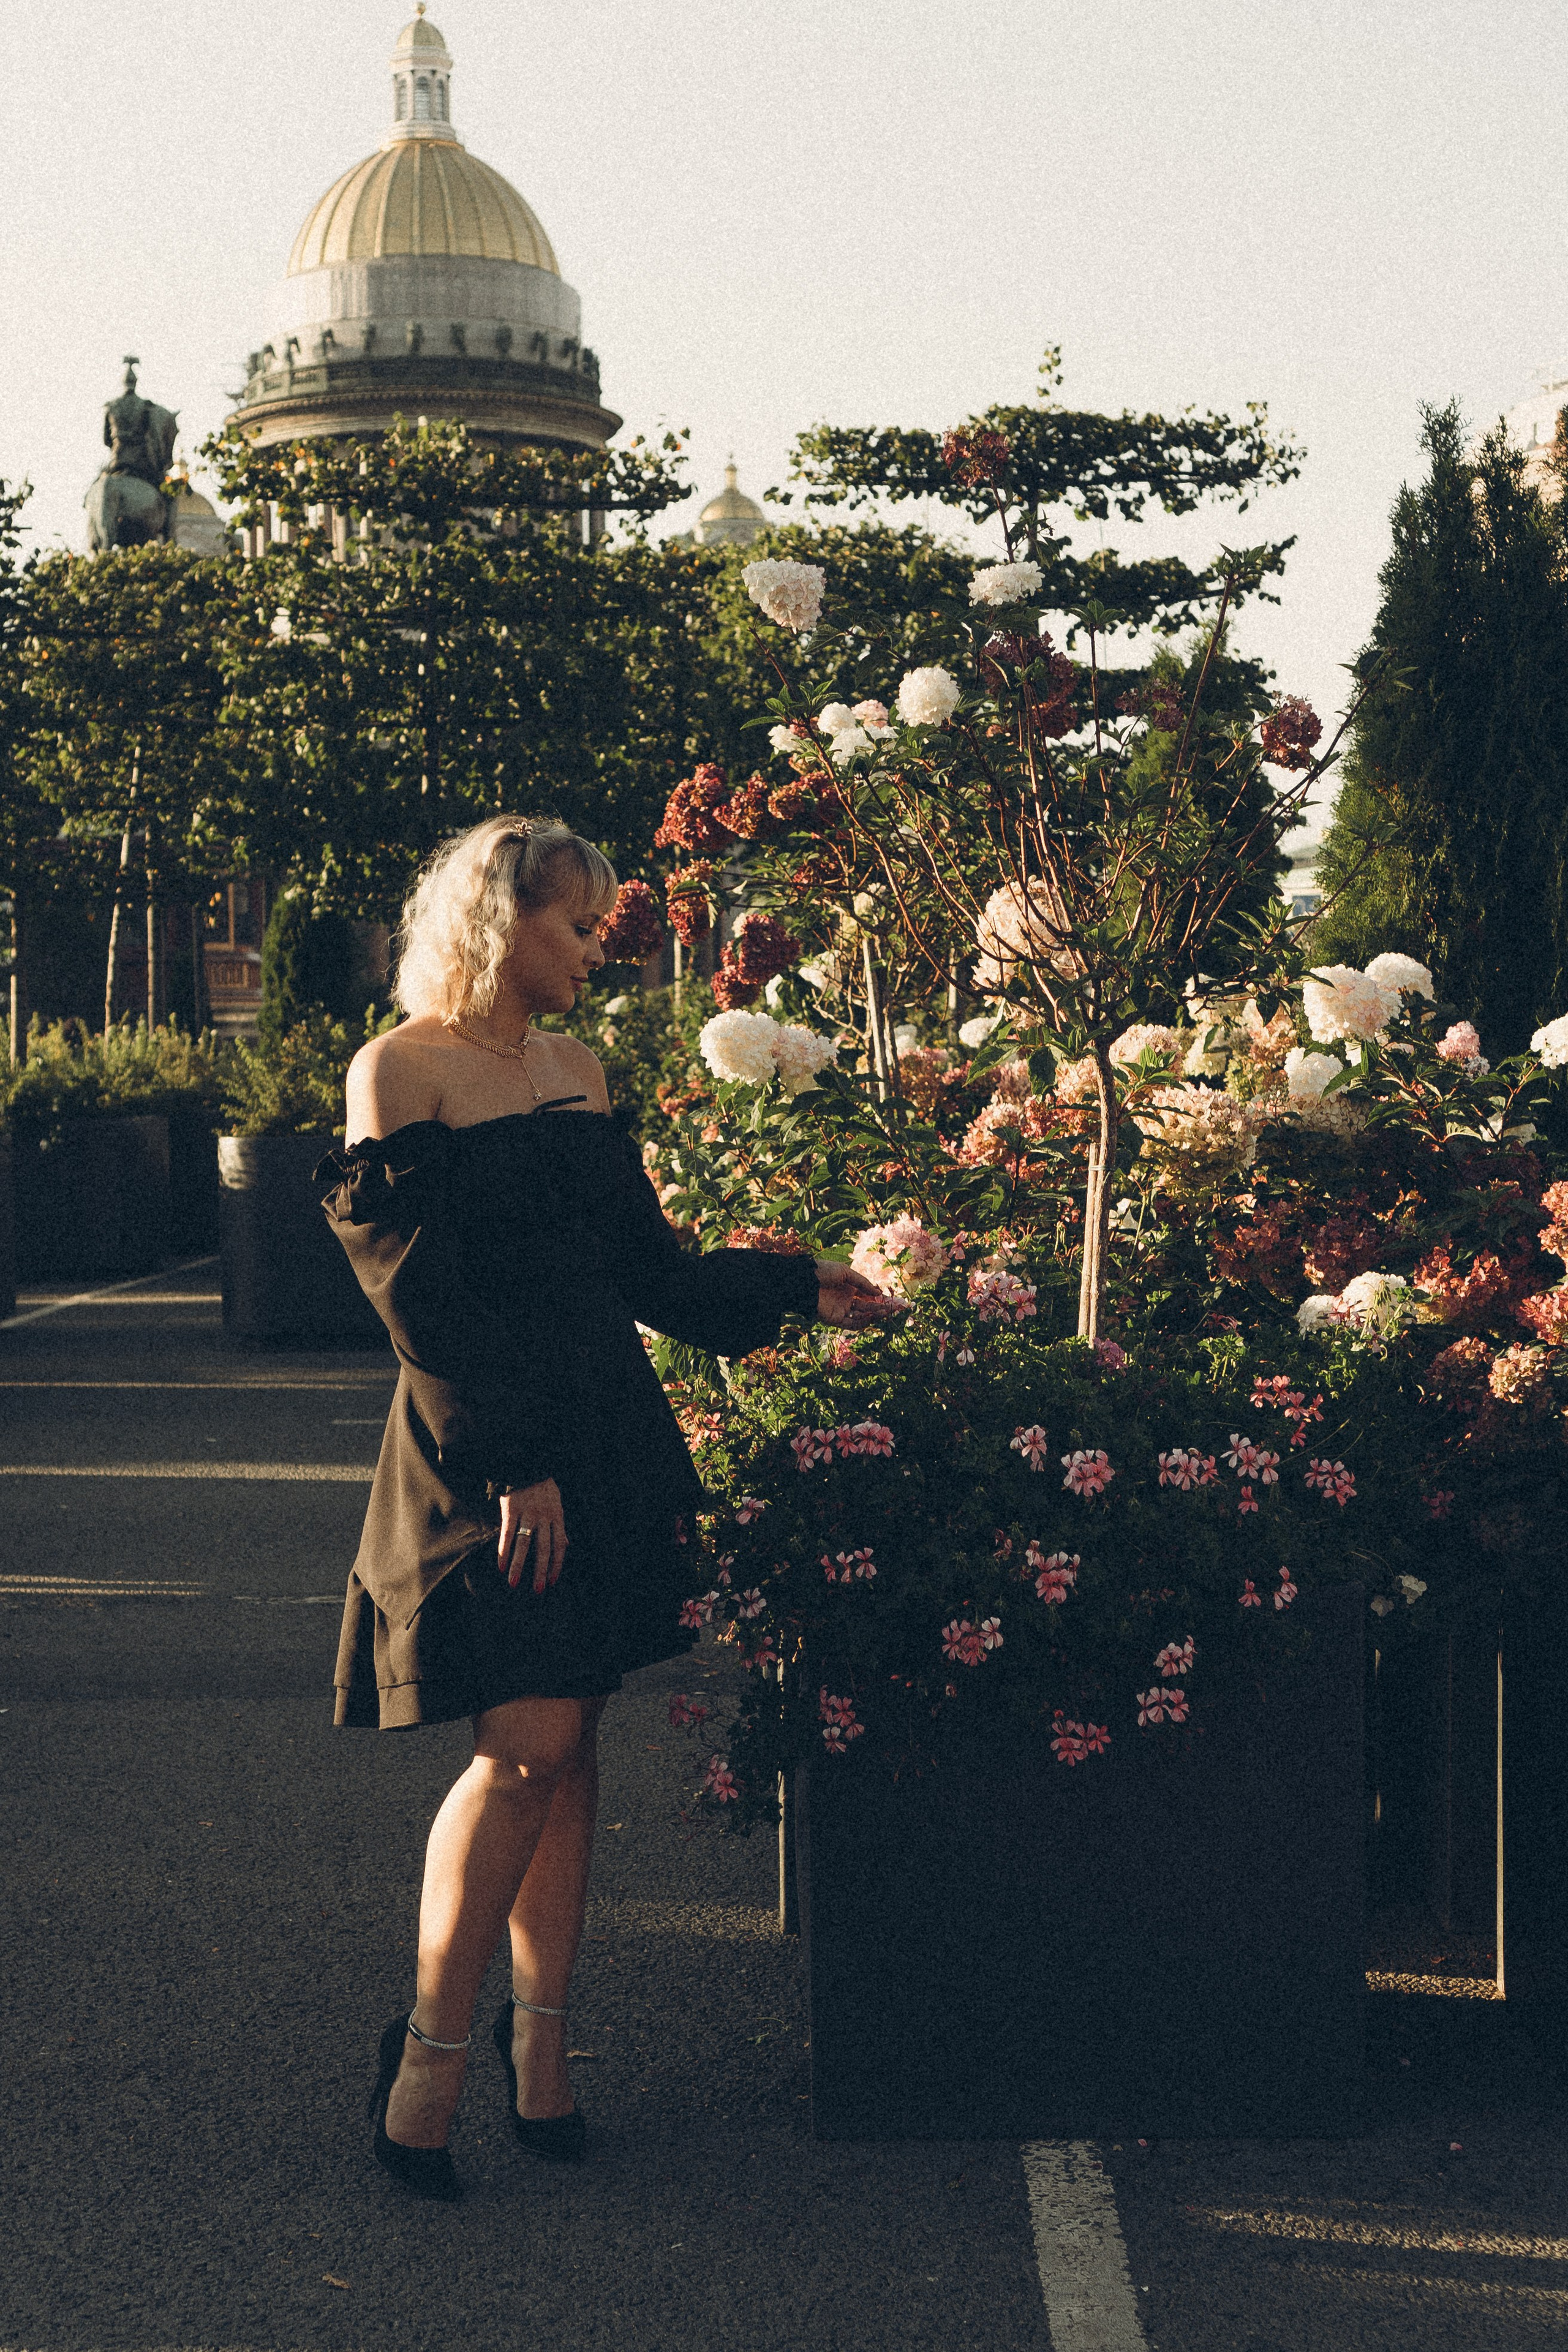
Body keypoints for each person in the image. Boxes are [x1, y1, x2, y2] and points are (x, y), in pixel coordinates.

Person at [318, 815, 897, 2201]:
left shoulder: (574, 1070)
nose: (596, 949)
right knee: (520, 1746)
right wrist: (515, 1465)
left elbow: (642, 1271)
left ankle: (545, 2059)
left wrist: (789, 1283)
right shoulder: (397, 1070)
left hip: (605, 1444)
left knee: (568, 1746)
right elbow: (419, 1300)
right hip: (486, 1458)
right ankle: (431, 2061)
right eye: (576, 925)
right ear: (496, 923)